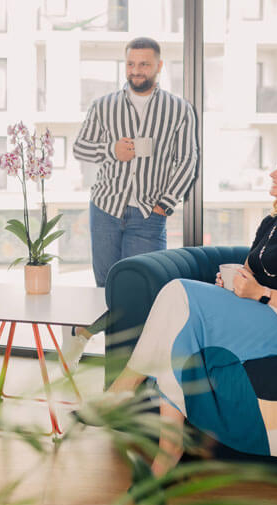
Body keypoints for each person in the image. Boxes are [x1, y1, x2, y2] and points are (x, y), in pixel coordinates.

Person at [80, 149, 277, 476]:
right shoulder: (271, 224)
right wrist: (232, 284)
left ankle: (123, 390)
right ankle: (168, 452)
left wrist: (260, 293)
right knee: (177, 334)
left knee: (178, 291)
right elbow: (249, 274)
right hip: (257, 313)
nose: (273, 173)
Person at [65, 36, 200, 367]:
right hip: (106, 209)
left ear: (158, 66)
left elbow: (188, 161)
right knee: (107, 291)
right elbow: (80, 148)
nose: (136, 71)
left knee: (140, 295)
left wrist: (164, 205)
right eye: (130, 64)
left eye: (144, 64)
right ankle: (117, 382)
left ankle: (98, 347)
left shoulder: (179, 109)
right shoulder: (104, 105)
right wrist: (111, 150)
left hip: (148, 214)